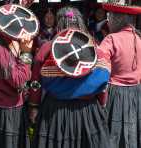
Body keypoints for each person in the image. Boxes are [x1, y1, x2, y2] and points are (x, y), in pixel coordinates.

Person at [29, 6, 111, 148]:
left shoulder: (47, 48)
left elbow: (36, 82)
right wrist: (102, 104)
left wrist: (34, 106)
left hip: (54, 113)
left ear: (59, 23)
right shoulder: (95, 48)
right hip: (88, 111)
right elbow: (103, 83)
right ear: (80, 22)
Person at [96, 2, 141, 148]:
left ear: (119, 19)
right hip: (136, 94)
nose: (108, 20)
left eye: (111, 17)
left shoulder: (111, 39)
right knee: (132, 132)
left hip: (114, 94)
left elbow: (99, 67)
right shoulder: (139, 39)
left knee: (112, 136)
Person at [0, 17, 33, 148]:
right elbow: (18, 80)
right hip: (5, 113)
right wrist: (26, 53)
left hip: (8, 109)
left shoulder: (4, 46)